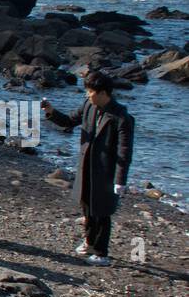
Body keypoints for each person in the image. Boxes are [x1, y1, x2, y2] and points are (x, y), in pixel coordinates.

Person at [42, 71, 135, 266]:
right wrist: (51, 111)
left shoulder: (122, 117)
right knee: (86, 207)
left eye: (90, 91)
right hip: (86, 167)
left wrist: (120, 180)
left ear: (103, 93)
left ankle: (101, 253)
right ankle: (89, 242)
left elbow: (124, 151)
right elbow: (68, 121)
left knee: (101, 211)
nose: (87, 95)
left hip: (106, 172)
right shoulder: (88, 106)